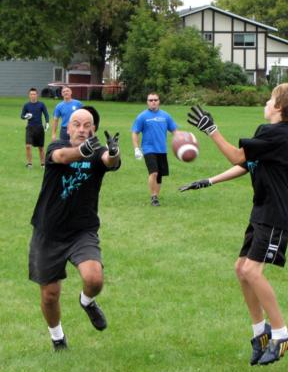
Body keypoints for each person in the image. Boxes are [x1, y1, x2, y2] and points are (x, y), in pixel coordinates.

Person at [180, 83, 288, 365]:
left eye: (270, 99)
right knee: (241, 269)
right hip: (262, 209)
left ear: (279, 107)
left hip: (276, 212)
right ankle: (260, 332)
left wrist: (211, 130)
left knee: (252, 270)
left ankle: (281, 334)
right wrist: (209, 181)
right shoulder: (269, 133)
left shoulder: (276, 134)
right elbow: (247, 164)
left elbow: (237, 156)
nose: (266, 102)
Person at [28, 107, 121, 351]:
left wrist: (114, 153)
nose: (81, 129)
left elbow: (109, 161)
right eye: (76, 124)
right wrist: (81, 151)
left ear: (94, 130)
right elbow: (62, 157)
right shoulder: (56, 147)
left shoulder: (97, 152)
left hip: (82, 231)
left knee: (94, 278)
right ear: (68, 128)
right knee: (50, 294)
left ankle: (87, 301)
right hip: (48, 232)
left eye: (87, 125)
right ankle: (57, 338)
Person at [131, 93, 177, 206]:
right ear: (147, 102)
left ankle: (156, 195)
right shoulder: (142, 116)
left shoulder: (166, 116)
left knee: (159, 176)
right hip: (148, 149)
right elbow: (135, 133)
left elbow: (175, 131)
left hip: (162, 150)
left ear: (159, 101)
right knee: (154, 173)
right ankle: (153, 197)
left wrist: (182, 141)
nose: (153, 102)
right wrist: (136, 148)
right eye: (150, 100)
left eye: (155, 100)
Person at [21, 87, 50, 168]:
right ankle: (29, 163)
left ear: (37, 95)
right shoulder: (26, 105)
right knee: (28, 146)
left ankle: (43, 164)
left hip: (39, 128)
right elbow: (22, 116)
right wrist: (26, 116)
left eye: (34, 94)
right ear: (29, 95)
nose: (33, 96)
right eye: (31, 94)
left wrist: (47, 122)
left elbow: (46, 114)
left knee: (41, 148)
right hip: (30, 128)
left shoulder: (41, 104)